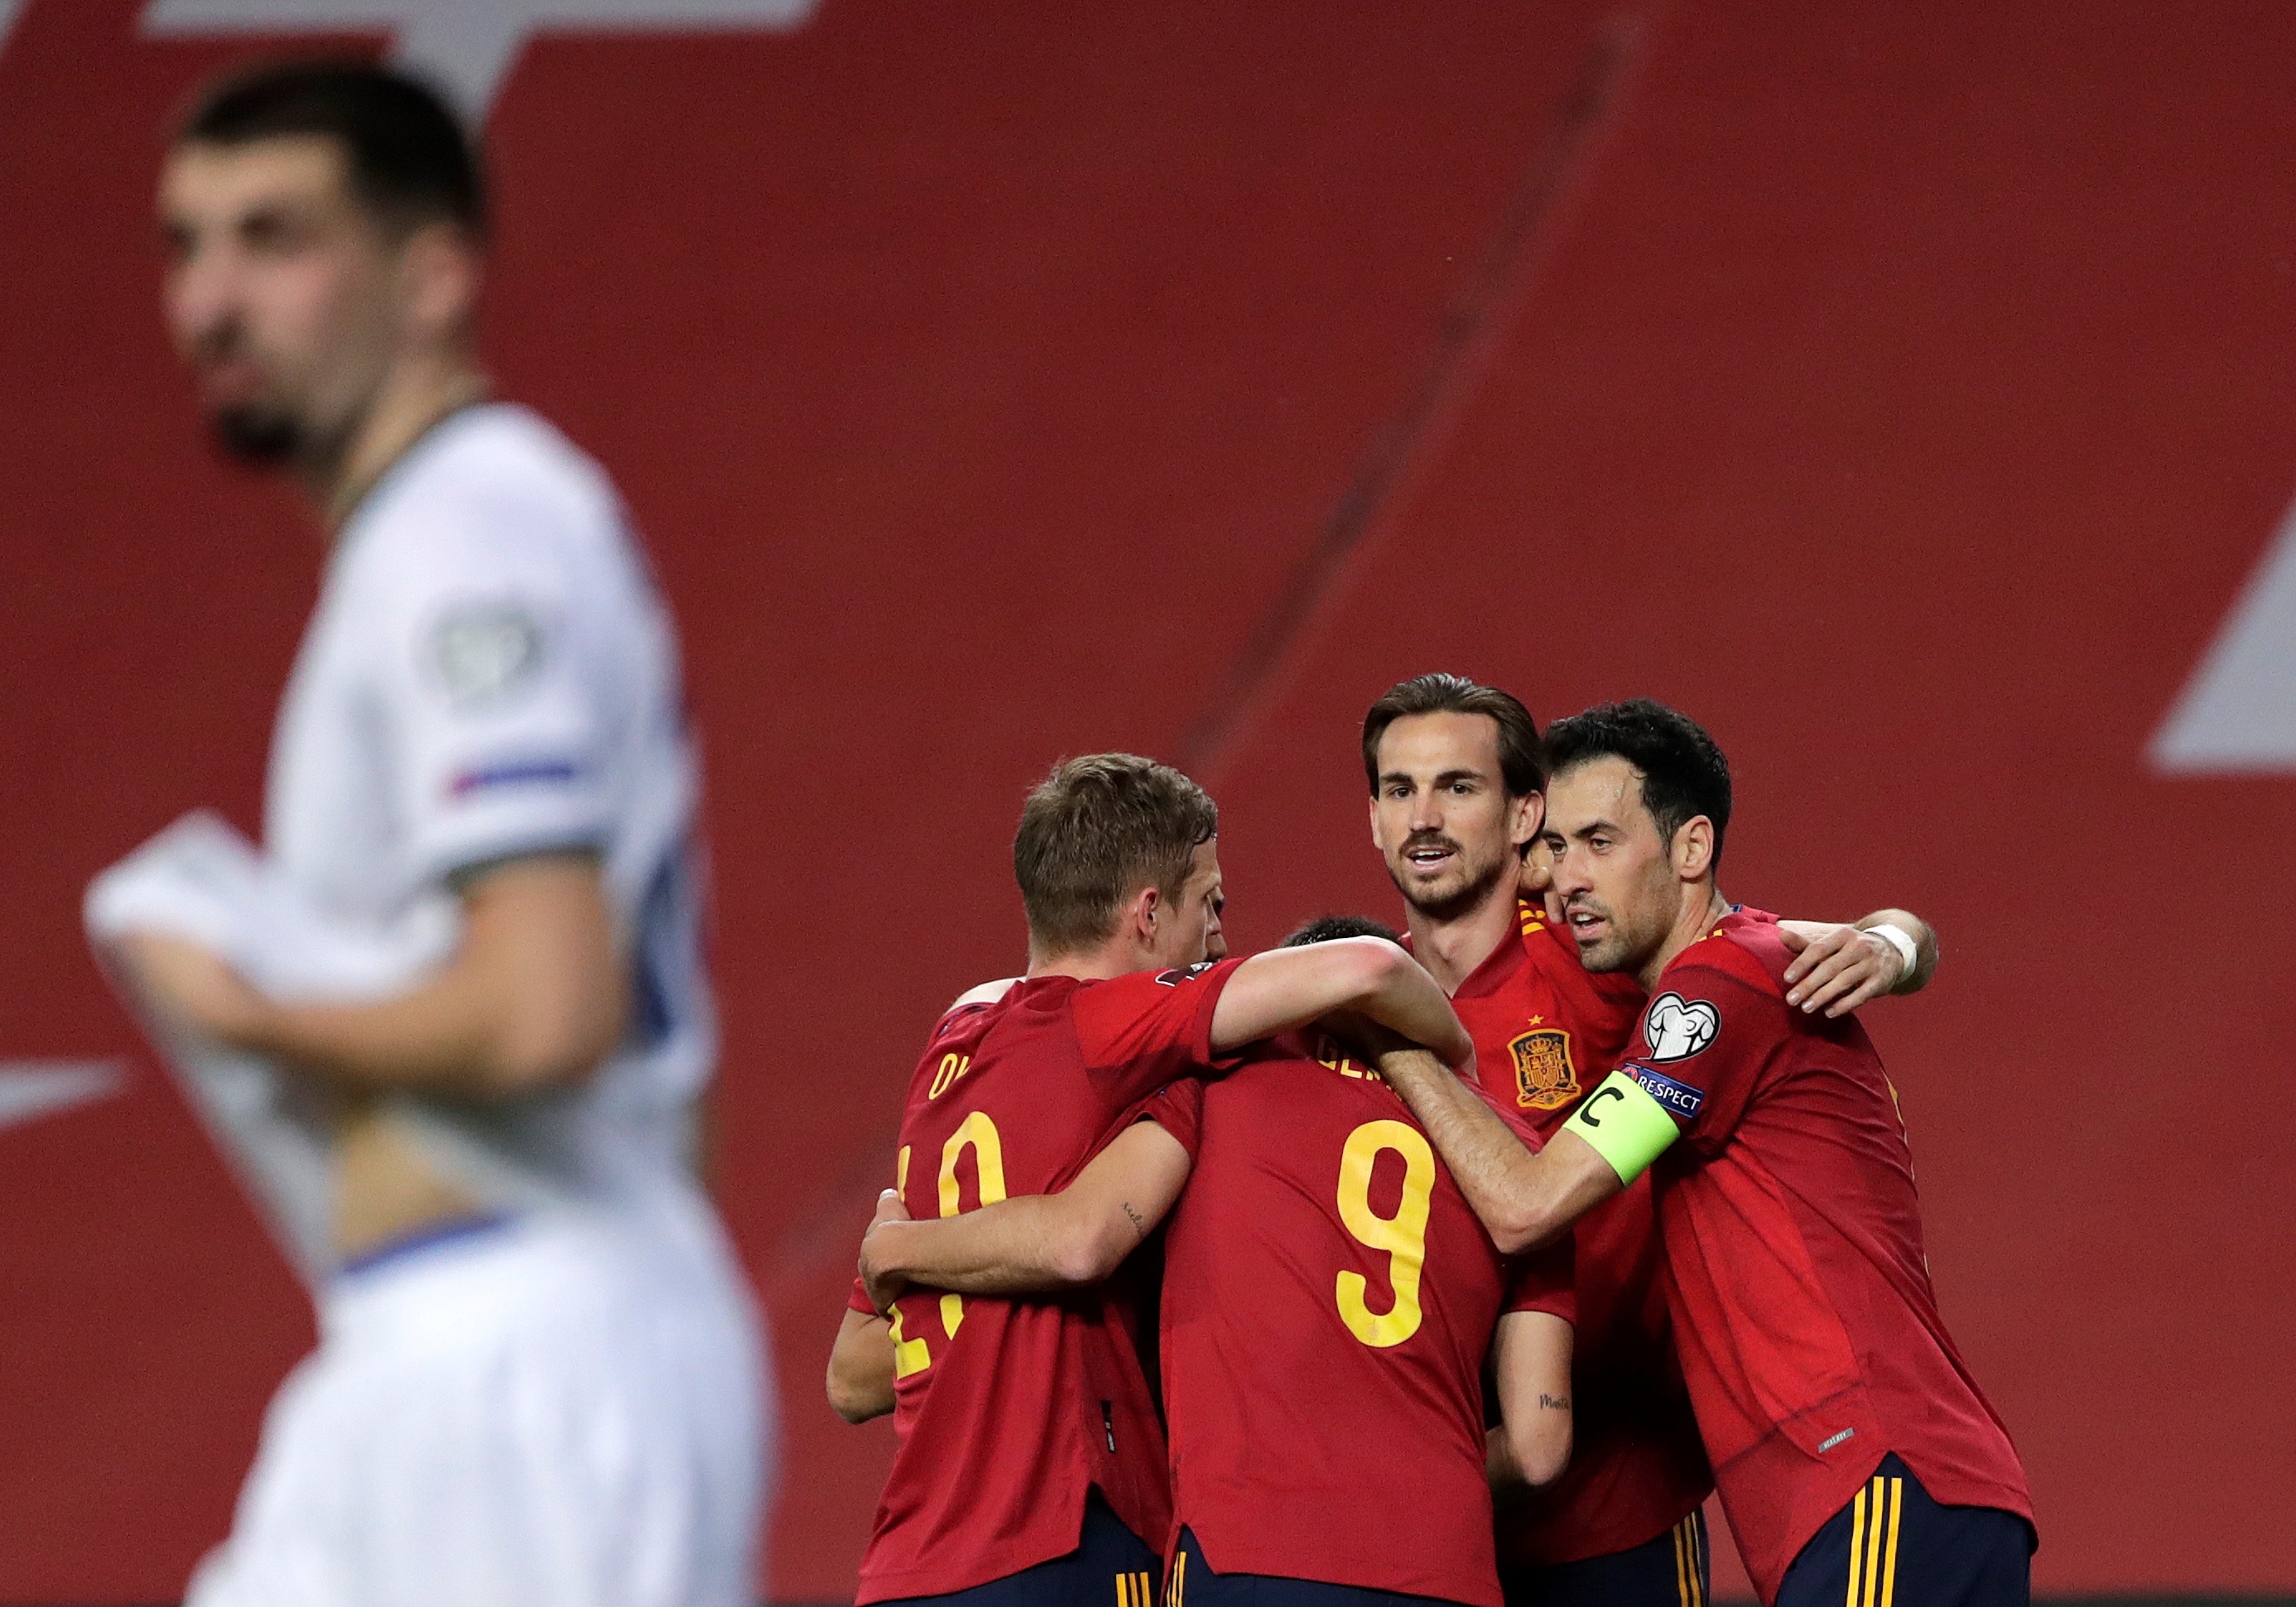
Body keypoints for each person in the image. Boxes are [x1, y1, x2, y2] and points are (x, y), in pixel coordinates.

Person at [99, 60, 768, 1606]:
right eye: (185, 245)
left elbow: (549, 1005)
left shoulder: (464, 536)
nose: (209, 302)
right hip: (438, 1345)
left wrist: (245, 1006)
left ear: (432, 274)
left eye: (275, 238)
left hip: (519, 1361)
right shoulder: (447, 534)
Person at [1360, 700, 2033, 1607]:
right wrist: (1894, 939)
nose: (1565, 880)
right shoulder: (1740, 964)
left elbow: (1527, 1204)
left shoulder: (1714, 988)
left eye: (1599, 841)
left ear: (1689, 849)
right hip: (1861, 1492)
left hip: (1876, 1470)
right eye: (1554, 849)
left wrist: (1395, 1044)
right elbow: (1852, 940)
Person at [824, 754, 1480, 1607]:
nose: (1217, 937)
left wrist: (911, 1253)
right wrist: (1460, 1069)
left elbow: (854, 1372)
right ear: (1145, 914)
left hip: (910, 1560)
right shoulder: (1130, 1041)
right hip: (1062, 1537)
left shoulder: (951, 1052)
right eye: (1207, 904)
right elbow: (1371, 970)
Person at [859, 912, 1576, 1607]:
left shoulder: (1211, 1092)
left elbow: (1082, 1235)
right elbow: (1540, 1446)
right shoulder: (1518, 1164)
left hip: (1247, 1556)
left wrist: (900, 1248)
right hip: (1445, 1566)